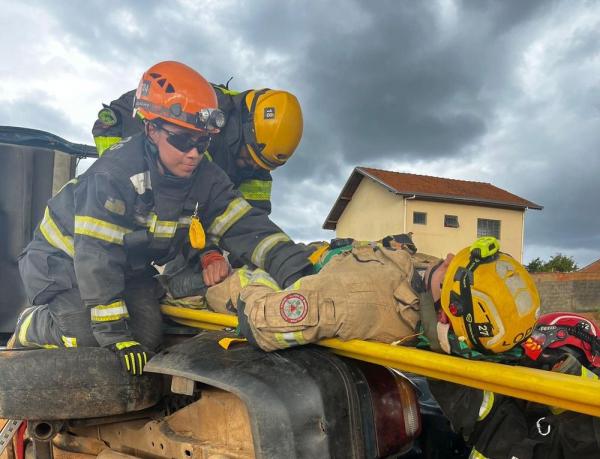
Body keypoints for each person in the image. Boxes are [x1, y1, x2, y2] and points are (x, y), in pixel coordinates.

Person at [10, 61, 315, 377]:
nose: (194, 153)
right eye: (183, 141)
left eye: (203, 142)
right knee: (90, 337)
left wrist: (298, 271)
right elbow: (96, 257)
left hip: (122, 267)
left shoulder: (206, 178)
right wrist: (114, 334)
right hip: (63, 262)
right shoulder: (115, 175)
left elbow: (247, 227)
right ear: (152, 130)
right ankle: (33, 325)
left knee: (148, 337)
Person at [205, 236, 540, 356]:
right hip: (292, 265)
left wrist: (251, 280)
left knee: (216, 276)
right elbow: (259, 319)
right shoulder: (353, 301)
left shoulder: (351, 302)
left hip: (278, 277)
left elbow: (262, 320)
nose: (445, 260)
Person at [92, 82, 303, 214]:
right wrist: (119, 176)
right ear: (244, 132)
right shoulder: (202, 108)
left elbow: (253, 217)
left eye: (260, 166)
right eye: (248, 158)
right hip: (128, 165)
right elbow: (114, 120)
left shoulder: (259, 159)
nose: (251, 167)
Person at [427, 312, 600, 459]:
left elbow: (588, 442)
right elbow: (463, 398)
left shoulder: (578, 431)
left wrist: (569, 377)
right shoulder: (505, 411)